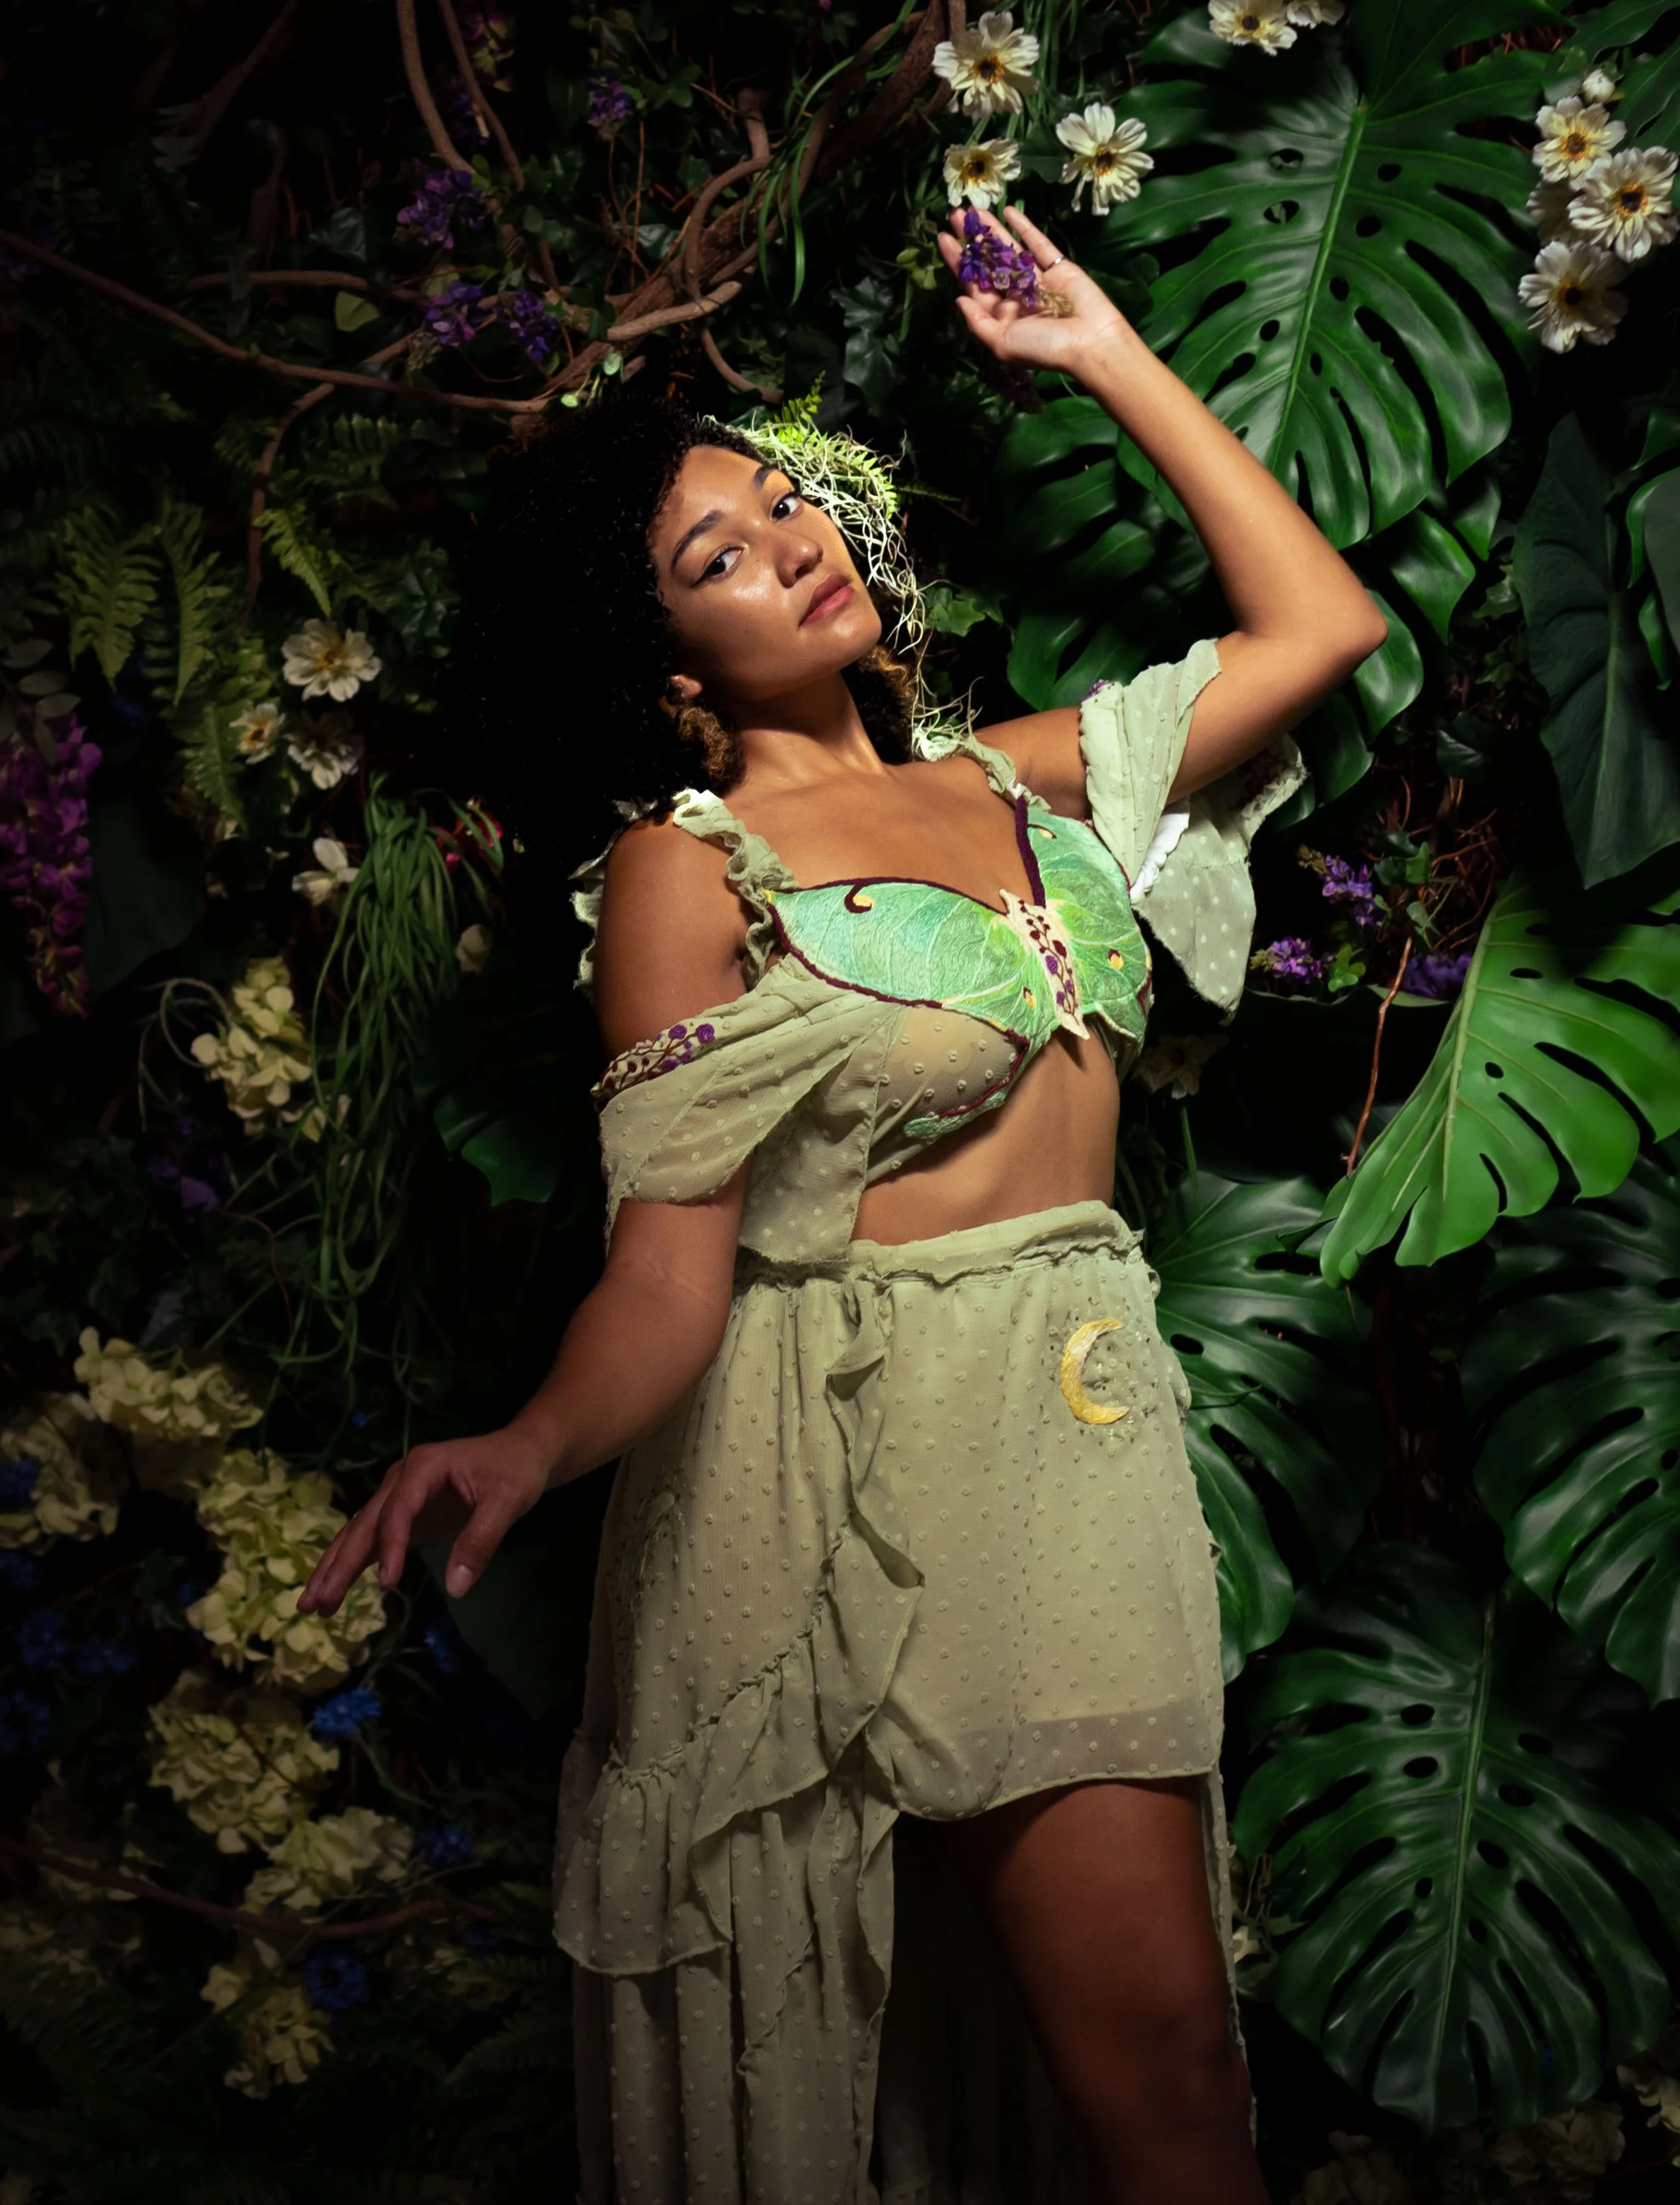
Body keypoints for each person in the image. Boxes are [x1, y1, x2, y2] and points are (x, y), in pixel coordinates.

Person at [298, 203, 1386, 2203]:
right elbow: (668, 1267)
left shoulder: (1023, 782)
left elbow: (1320, 628)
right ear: (663, 663)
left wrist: (1104, 352)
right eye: (715, 552)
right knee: (1157, 2101)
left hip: (1085, 1437)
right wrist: (532, 1437)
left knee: (1164, 2088)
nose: (789, 543)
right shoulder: (680, 870)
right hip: (879, 1471)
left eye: (784, 504)